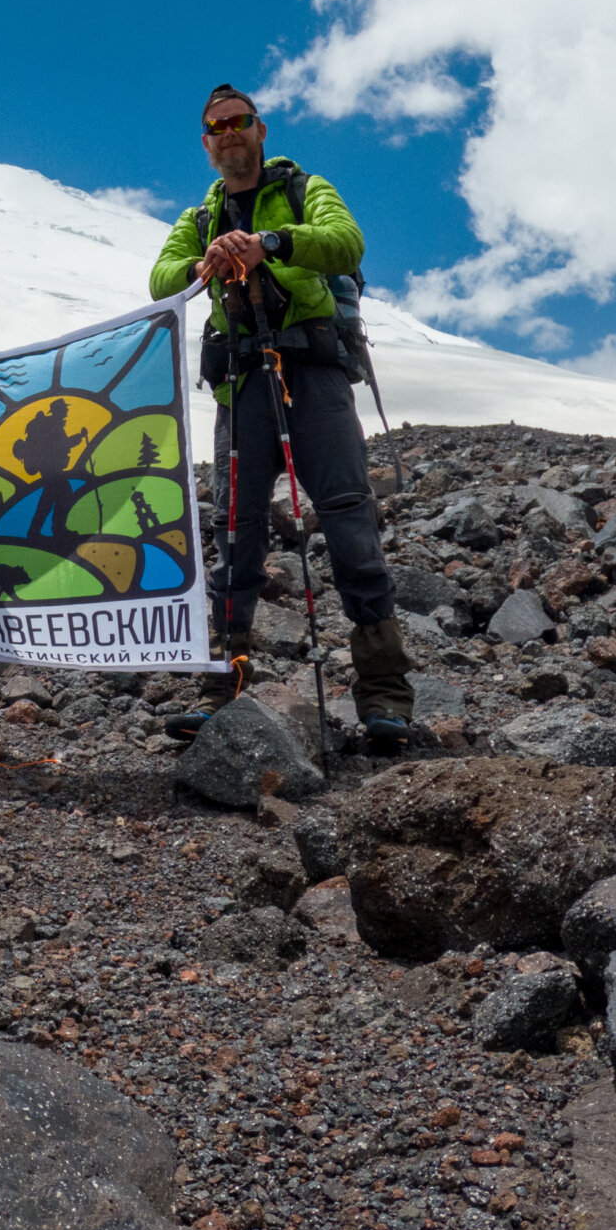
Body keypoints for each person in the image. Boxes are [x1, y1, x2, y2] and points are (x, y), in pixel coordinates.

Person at [147, 85, 413, 749]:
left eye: (239, 122)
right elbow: (161, 281)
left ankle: (385, 695)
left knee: (350, 520)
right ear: (207, 144)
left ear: (260, 130)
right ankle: (223, 692)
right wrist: (203, 263)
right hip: (242, 386)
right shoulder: (199, 218)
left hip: (313, 376)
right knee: (234, 534)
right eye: (217, 127)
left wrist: (270, 243)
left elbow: (345, 242)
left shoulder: (304, 189)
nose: (230, 133)